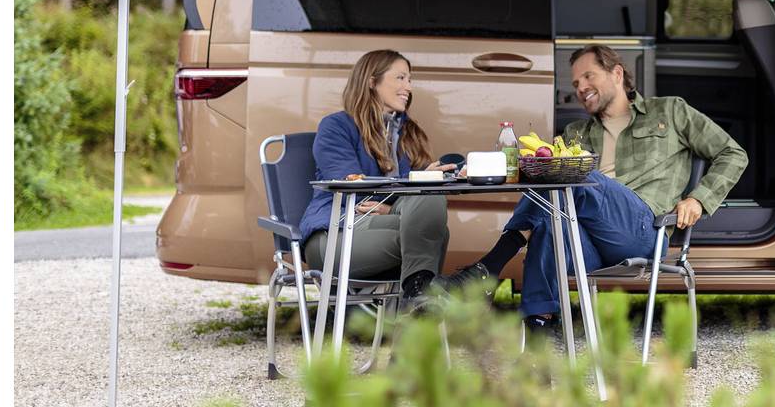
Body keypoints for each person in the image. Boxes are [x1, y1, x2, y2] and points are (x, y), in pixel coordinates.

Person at [444, 44, 747, 332]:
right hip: (589, 241)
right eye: (576, 83)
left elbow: (733, 153)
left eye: (589, 76)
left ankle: (489, 267)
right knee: (550, 225)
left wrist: (698, 199)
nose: (581, 88)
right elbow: (546, 182)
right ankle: (538, 342)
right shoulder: (577, 132)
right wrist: (486, 169)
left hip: (643, 230)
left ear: (617, 74)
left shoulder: (670, 112)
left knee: (574, 173)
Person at [301, 49, 456, 308]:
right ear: (372, 81)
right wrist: (413, 182)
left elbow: (418, 203)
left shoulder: (406, 133)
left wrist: (439, 176)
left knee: (430, 200)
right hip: (336, 233)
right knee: (429, 233)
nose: (409, 87)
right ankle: (417, 314)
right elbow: (353, 185)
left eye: (409, 80)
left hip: (380, 226)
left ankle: (417, 304)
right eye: (400, 78)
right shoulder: (336, 127)